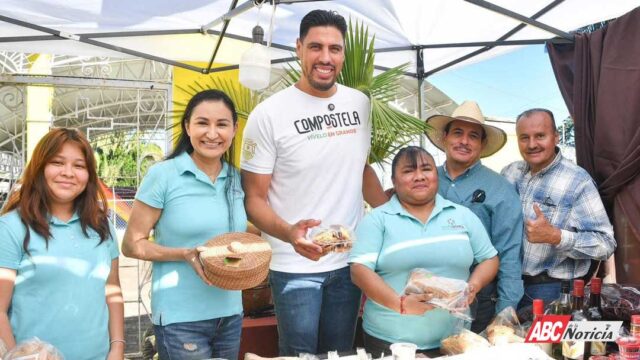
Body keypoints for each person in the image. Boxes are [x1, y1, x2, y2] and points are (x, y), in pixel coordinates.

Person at [240, 9, 387, 356]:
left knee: (341, 352)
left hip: (350, 261)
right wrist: (290, 233)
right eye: (316, 47)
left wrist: (391, 217)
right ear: (298, 48)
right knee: (299, 354)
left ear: (344, 53)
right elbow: (254, 200)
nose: (325, 57)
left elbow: (360, 169)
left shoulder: (360, 104)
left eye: (334, 49)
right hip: (294, 267)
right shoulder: (269, 114)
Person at [122, 89, 246, 359]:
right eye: (203, 123)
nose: (212, 133)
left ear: (234, 129)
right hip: (181, 319)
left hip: (230, 313)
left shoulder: (236, 180)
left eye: (221, 124)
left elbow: (243, 233)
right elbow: (132, 245)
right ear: (187, 126)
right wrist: (184, 254)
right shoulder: (163, 175)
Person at [349, 146, 499, 355]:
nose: (419, 176)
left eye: (426, 169)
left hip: (453, 341)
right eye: (408, 171)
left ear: (436, 176)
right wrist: (400, 304)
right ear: (394, 181)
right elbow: (359, 270)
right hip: (390, 342)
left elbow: (489, 258)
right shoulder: (378, 219)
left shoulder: (462, 216)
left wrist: (474, 286)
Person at [0, 128, 124, 359]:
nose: (68, 173)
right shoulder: (11, 227)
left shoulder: (101, 226)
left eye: (79, 166)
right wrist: (16, 356)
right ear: (39, 167)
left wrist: (117, 347)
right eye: (57, 162)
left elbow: (112, 290)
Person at [501, 108, 616, 308]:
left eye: (540, 136)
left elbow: (605, 244)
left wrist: (556, 236)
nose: (531, 144)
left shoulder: (577, 181)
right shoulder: (511, 173)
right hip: (507, 285)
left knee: (548, 342)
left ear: (555, 136)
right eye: (524, 138)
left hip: (552, 291)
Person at [425, 100, 524, 332]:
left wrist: (505, 312)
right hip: (423, 296)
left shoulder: (500, 189)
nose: (464, 141)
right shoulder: (425, 179)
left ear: (482, 144)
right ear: (445, 137)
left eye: (473, 136)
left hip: (477, 301)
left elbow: (509, 253)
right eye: (458, 133)